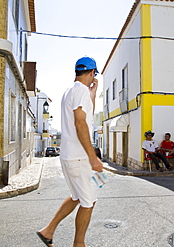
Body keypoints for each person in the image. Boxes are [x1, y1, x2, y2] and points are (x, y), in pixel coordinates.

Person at [37, 57, 104, 247]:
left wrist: (93, 92)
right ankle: (79, 244)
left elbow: (85, 114)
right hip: (80, 157)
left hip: (69, 156)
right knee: (88, 202)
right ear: (92, 73)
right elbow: (80, 123)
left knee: (77, 197)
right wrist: (93, 157)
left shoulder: (71, 91)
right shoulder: (81, 92)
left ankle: (48, 231)